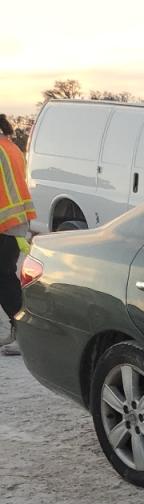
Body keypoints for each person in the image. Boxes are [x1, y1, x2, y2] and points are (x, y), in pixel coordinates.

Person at [1, 113, 36, 356]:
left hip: (5, 223)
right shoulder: (10, 147)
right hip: (13, 221)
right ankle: (19, 329)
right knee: (5, 278)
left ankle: (24, 333)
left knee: (4, 279)